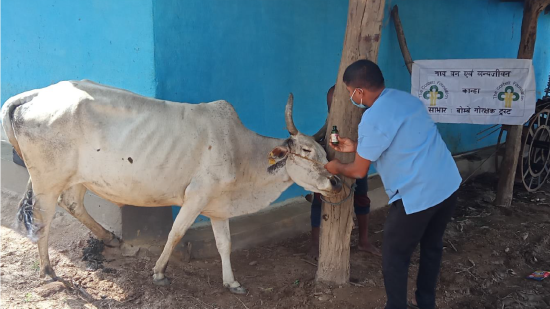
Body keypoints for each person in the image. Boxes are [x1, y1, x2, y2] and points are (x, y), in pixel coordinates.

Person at [324, 59, 461, 309]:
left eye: (349, 92)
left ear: (359, 91)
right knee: (432, 245)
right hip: (447, 184)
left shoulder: (373, 117)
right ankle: (425, 301)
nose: (351, 97)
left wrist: (335, 167)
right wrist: (355, 146)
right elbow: (398, 140)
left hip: (418, 195)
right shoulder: (404, 99)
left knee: (395, 257)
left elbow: (357, 170)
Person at [307, 86, 380, 258]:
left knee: (361, 198)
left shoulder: (364, 123)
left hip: (355, 163)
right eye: (332, 104)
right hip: (330, 162)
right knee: (319, 201)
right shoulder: (329, 127)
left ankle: (363, 241)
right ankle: (315, 244)